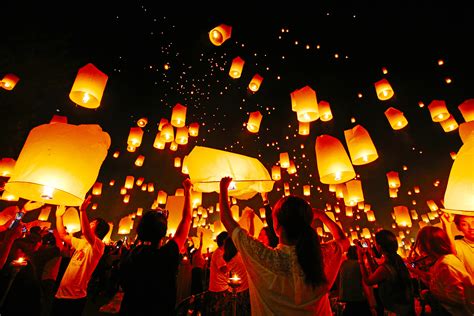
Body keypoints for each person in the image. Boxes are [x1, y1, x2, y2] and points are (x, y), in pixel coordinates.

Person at [219, 176, 349, 315]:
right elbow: (343, 240)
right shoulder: (321, 255)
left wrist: (223, 188)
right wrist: (322, 215)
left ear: (276, 227)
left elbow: (227, 219)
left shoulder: (263, 258)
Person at [119, 178, 193, 316]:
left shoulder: (130, 255)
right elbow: (187, 219)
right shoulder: (167, 254)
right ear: (163, 232)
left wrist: (159, 222)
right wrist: (188, 191)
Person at [51, 195, 110, 316]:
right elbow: (62, 235)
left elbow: (85, 231)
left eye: (93, 223)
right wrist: (59, 216)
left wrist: (82, 211)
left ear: (98, 230)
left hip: (75, 297)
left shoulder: (99, 246)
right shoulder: (81, 243)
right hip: (60, 294)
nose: (89, 224)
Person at [411, 226, 473, 316]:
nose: (420, 248)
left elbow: (458, 299)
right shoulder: (442, 261)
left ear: (428, 245)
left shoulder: (446, 264)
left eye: (420, 243)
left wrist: (430, 296)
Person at [357, 230, 415, 316]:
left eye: (375, 243)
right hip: (405, 307)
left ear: (379, 247)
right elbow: (376, 271)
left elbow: (368, 281)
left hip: (395, 310)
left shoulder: (386, 268)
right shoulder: (396, 259)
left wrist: (360, 259)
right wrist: (368, 255)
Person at [338, 245, 374, 316]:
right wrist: (372, 306)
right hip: (359, 299)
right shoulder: (359, 265)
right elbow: (366, 285)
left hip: (346, 300)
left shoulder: (343, 264)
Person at [223, 235, 251, 315]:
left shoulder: (232, 260)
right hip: (244, 288)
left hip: (236, 290)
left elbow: (225, 271)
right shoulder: (240, 255)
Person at [440, 212, 474, 276]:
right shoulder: (459, 245)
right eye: (464, 224)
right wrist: (447, 225)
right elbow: (451, 249)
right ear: (458, 227)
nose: (471, 227)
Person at [206, 230, 229, 314]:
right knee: (219, 311)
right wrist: (234, 262)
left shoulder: (222, 252)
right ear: (224, 241)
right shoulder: (219, 253)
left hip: (221, 287)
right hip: (218, 289)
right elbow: (224, 269)